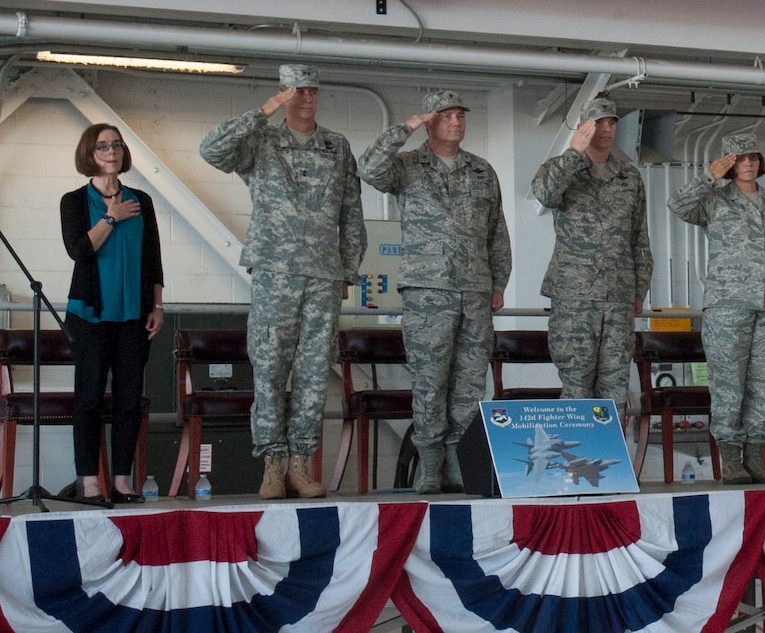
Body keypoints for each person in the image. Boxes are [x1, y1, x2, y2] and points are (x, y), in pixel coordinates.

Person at [200, 65, 365, 499]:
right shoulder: (261, 140)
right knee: (270, 367)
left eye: (313, 90)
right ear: (283, 93)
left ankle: (300, 464)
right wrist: (262, 111)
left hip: (324, 273)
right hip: (275, 270)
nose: (307, 98)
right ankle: (271, 464)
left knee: (313, 373)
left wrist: (349, 268)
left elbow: (351, 211)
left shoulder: (336, 146)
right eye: (297, 91)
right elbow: (211, 150)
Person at [360, 89, 512, 494]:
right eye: (447, 116)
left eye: (461, 115)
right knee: (429, 382)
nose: (457, 122)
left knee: (469, 383)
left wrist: (499, 283)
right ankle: (429, 464)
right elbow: (369, 168)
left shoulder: (482, 171)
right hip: (428, 291)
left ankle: (460, 462)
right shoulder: (408, 166)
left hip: (475, 292)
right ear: (430, 121)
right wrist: (403, 129)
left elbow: (497, 232)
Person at [670, 130, 765, 484]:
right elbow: (677, 205)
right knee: (729, 385)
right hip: (727, 305)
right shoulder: (715, 200)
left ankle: (755, 457)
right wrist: (708, 177)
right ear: (728, 164)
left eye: (753, 157)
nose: (748, 164)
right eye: (740, 159)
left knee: (762, 383)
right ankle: (730, 459)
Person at [59, 123, 164, 504]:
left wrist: (157, 305)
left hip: (134, 316)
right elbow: (79, 251)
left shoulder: (142, 200)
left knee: (129, 400)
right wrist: (112, 216)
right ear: (90, 153)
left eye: (117, 145)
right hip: (89, 316)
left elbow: (152, 257)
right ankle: (88, 481)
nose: (111, 151)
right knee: (88, 398)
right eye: (103, 146)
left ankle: (121, 481)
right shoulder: (73, 201)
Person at [530, 96, 652, 403]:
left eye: (612, 122)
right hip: (575, 296)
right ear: (584, 127)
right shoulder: (560, 169)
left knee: (614, 387)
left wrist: (639, 290)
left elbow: (639, 238)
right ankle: (578, 452)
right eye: (599, 123)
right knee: (576, 385)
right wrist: (574, 153)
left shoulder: (629, 177)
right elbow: (545, 194)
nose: (607, 129)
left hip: (618, 296)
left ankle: (609, 452)